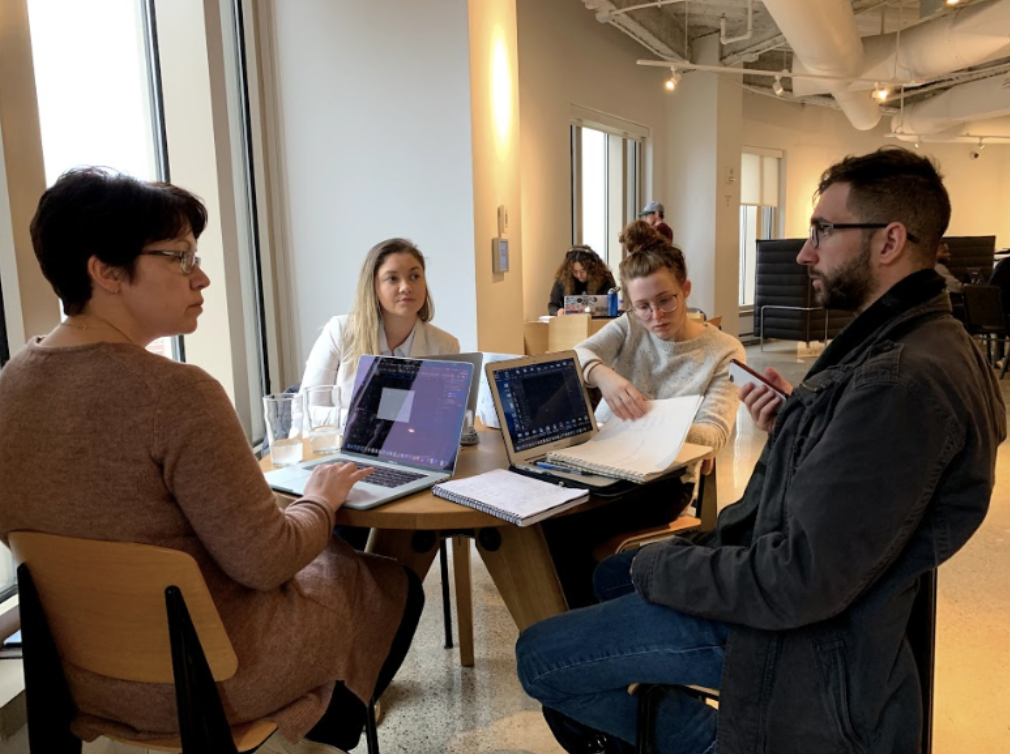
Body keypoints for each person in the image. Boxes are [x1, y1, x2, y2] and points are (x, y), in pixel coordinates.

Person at [517, 147, 1006, 754]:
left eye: (823, 230)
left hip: (793, 638)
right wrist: (799, 419)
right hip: (802, 592)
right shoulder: (913, 341)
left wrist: (663, 564)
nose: (806, 251)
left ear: (889, 242)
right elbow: (858, 488)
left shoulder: (901, 381)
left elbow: (798, 579)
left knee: (538, 654)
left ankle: (715, 742)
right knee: (612, 573)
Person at [0, 168, 423, 754]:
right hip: (209, 674)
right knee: (383, 580)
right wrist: (320, 501)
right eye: (179, 258)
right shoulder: (176, 392)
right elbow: (267, 560)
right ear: (105, 271)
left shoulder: (11, 384)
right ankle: (308, 729)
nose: (200, 276)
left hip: (82, 675)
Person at [542, 235, 745, 608]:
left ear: (685, 290)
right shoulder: (629, 326)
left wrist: (651, 417)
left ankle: (582, 623)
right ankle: (572, 620)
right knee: (541, 517)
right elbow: (577, 354)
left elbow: (714, 435)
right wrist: (603, 375)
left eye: (665, 300)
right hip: (606, 460)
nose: (656, 316)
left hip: (665, 479)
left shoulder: (724, 350)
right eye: (642, 306)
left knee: (563, 528)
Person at [299, 237, 460, 414]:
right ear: (373, 287)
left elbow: (446, 419)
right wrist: (362, 421)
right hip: (340, 441)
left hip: (413, 441)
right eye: (392, 279)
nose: (406, 287)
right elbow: (305, 412)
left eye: (415, 276)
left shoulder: (446, 346)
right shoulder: (340, 331)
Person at [547, 246, 617, 316]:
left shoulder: (605, 278)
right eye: (575, 271)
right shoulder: (563, 278)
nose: (579, 275)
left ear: (593, 268)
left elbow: (611, 304)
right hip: (569, 323)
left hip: (598, 323)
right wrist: (558, 312)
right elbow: (553, 305)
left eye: (583, 271)